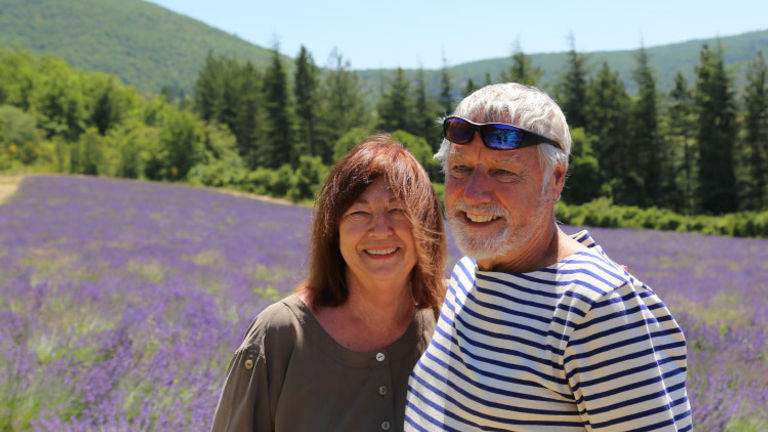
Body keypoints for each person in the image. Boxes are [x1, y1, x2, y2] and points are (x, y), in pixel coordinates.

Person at [404, 83, 692, 431]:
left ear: (555, 180)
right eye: (460, 169)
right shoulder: (469, 274)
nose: (474, 194)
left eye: (503, 172)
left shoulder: (596, 309)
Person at [210, 134, 446, 432]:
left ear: (426, 223)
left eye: (398, 211)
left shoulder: (451, 320)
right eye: (359, 213)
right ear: (333, 231)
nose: (381, 229)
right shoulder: (279, 335)